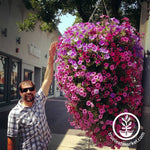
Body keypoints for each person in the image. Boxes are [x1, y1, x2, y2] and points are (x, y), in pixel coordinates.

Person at [7, 41, 58, 150]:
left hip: (45, 146)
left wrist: (50, 58)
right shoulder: (15, 113)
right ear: (20, 92)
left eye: (31, 89)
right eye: (25, 90)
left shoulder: (39, 99)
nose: (29, 91)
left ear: (35, 90)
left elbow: (47, 80)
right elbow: (11, 139)